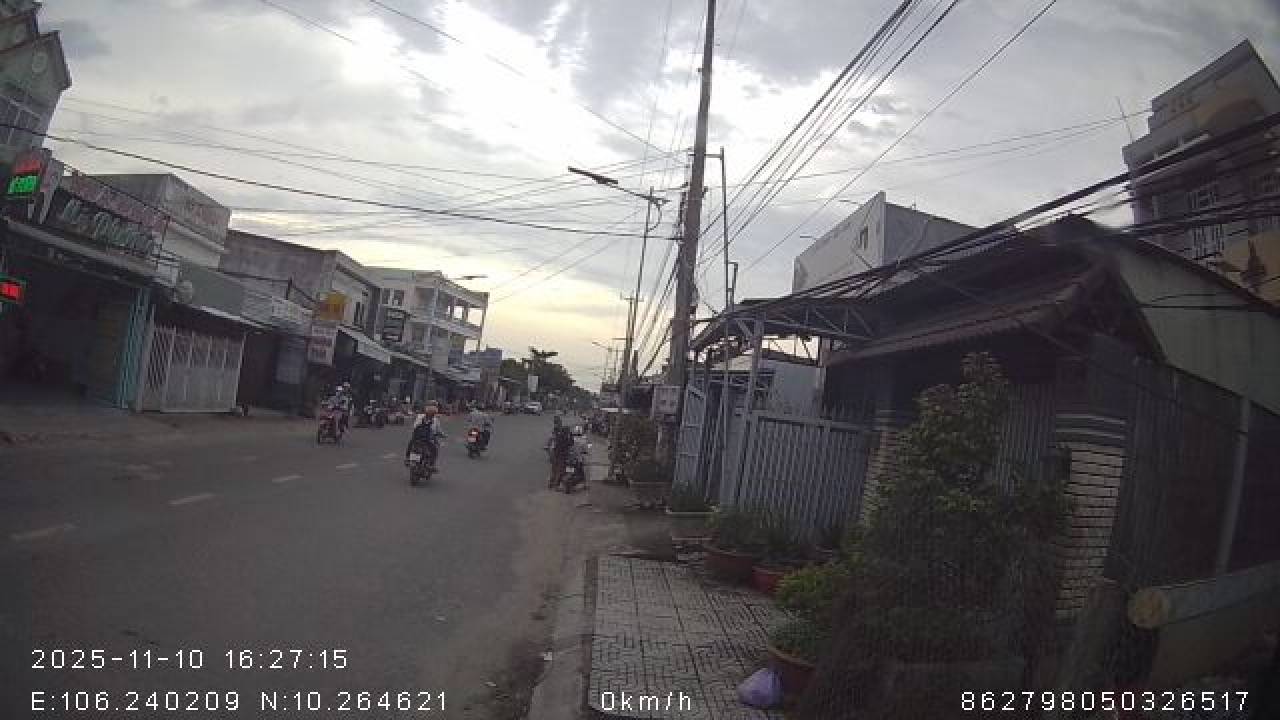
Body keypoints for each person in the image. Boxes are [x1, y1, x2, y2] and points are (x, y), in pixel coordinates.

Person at [406, 402, 446, 467]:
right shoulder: (434, 420)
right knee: (435, 449)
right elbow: (438, 431)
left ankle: (408, 458)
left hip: (417, 438)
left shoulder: (420, 416)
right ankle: (431, 465)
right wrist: (443, 435)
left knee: (411, 444)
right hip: (426, 439)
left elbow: (414, 426)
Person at [547, 414, 574, 489]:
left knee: (555, 469)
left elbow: (551, 441)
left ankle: (552, 483)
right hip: (560, 454)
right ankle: (556, 484)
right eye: (557, 422)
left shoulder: (559, 432)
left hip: (556, 452)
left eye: (557, 422)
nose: (557, 424)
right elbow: (571, 443)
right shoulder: (560, 433)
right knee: (559, 469)